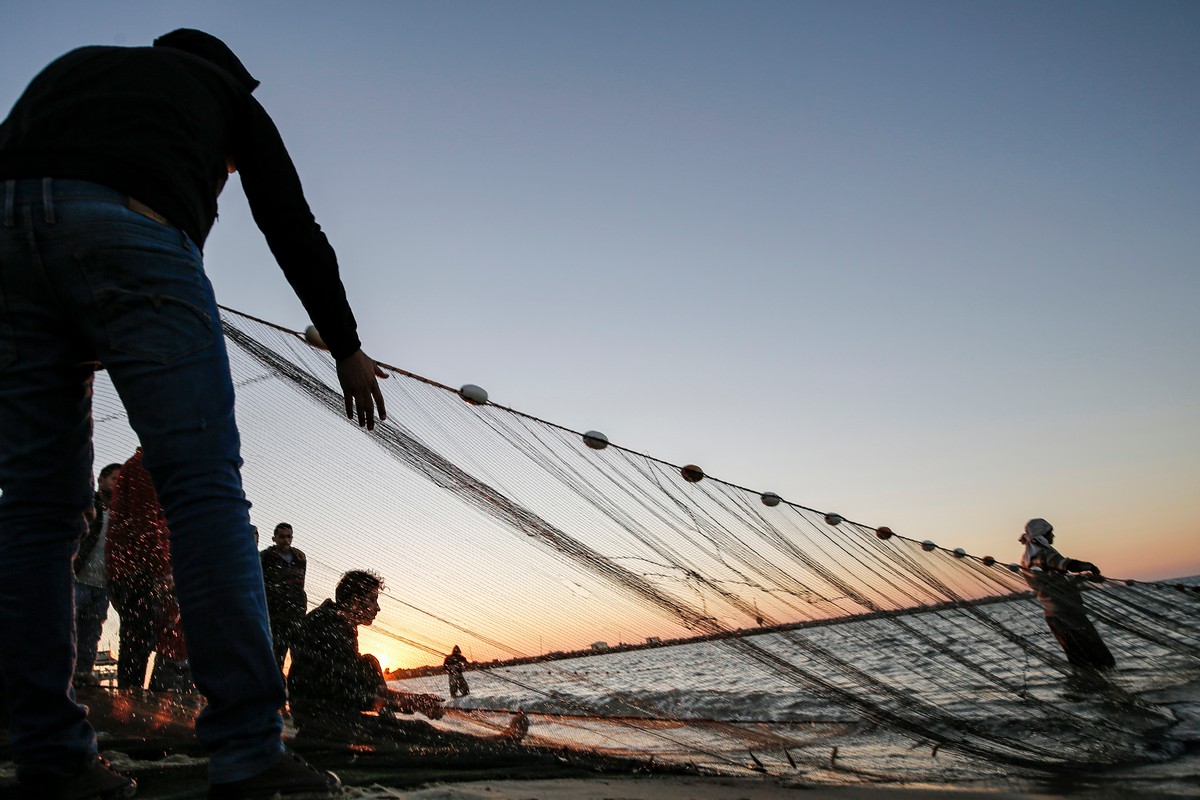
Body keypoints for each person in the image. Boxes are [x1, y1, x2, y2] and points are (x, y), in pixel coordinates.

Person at [0, 28, 387, 799]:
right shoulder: (222, 95)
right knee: (203, 487)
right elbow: (289, 221)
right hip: (134, 233)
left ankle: (49, 758)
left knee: (36, 511)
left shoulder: (73, 68)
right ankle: (249, 750)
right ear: (230, 75)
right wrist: (345, 345)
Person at [288, 571, 528, 748]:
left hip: (321, 715)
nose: (377, 608)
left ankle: (389, 724)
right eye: (372, 600)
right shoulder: (330, 628)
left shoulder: (332, 621)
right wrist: (412, 701)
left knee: (370, 662)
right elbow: (349, 692)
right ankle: (498, 742)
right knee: (418, 732)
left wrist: (404, 702)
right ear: (354, 601)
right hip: (324, 722)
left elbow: (352, 685)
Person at [105, 448, 172, 692]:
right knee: (137, 640)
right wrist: (162, 569)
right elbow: (145, 523)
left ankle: (131, 701)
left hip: (133, 568)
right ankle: (128, 704)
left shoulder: (147, 466)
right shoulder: (145, 465)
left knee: (140, 639)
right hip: (136, 570)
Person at [1019, 518, 1116, 672]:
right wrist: (1090, 566)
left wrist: (1085, 577)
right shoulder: (1042, 555)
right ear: (1043, 534)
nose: (1053, 537)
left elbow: (1054, 583)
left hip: (1054, 617)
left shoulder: (1026, 560)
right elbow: (1067, 565)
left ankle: (1084, 693)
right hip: (1068, 614)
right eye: (1051, 533)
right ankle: (1109, 691)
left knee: (1080, 664)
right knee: (1102, 661)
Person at [73, 461, 122, 686]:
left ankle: (82, 674)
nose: (117, 484)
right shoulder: (87, 506)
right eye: (114, 479)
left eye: (121, 481)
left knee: (92, 632)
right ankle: (62, 674)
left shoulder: (121, 515)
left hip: (102, 585)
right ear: (101, 480)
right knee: (68, 626)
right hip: (78, 579)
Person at [261, 523, 308, 672]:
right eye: (282, 536)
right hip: (276, 614)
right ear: (274, 538)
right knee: (276, 654)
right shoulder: (265, 557)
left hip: (295, 613)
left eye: (288, 536)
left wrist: (299, 606)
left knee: (299, 655)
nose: (285, 540)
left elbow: (300, 583)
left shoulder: (299, 557)